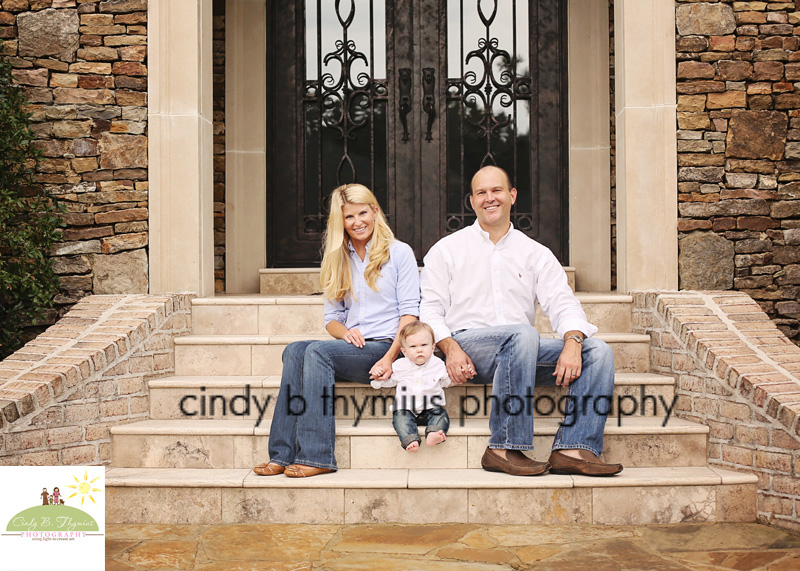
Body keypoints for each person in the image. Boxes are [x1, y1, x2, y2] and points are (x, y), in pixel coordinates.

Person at [419, 165, 623, 477]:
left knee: (598, 351)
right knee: (523, 334)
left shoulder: (536, 253)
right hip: (468, 350)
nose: (490, 198)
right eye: (482, 193)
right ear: (471, 201)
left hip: (521, 355)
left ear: (512, 196)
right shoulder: (446, 250)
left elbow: (562, 302)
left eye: (497, 190)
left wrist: (573, 341)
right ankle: (503, 447)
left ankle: (572, 448)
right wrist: (449, 348)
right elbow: (430, 311)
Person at [254, 183, 420, 478]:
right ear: (340, 221)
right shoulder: (337, 257)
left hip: (386, 347)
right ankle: (281, 454)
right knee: (294, 350)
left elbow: (410, 314)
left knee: (317, 352)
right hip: (353, 348)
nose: (358, 222)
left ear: (375, 212)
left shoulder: (399, 253)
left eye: (363, 213)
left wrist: (389, 358)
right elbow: (331, 318)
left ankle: (317, 456)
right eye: (349, 217)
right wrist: (344, 333)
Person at [370, 321, 451, 451]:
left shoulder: (438, 364)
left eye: (424, 345)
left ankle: (434, 433)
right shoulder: (399, 366)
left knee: (441, 414)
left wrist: (456, 379)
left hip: (431, 407)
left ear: (432, 347)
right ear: (404, 351)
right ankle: (410, 439)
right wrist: (378, 378)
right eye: (413, 346)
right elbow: (390, 381)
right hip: (406, 408)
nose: (419, 349)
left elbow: (446, 382)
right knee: (400, 420)